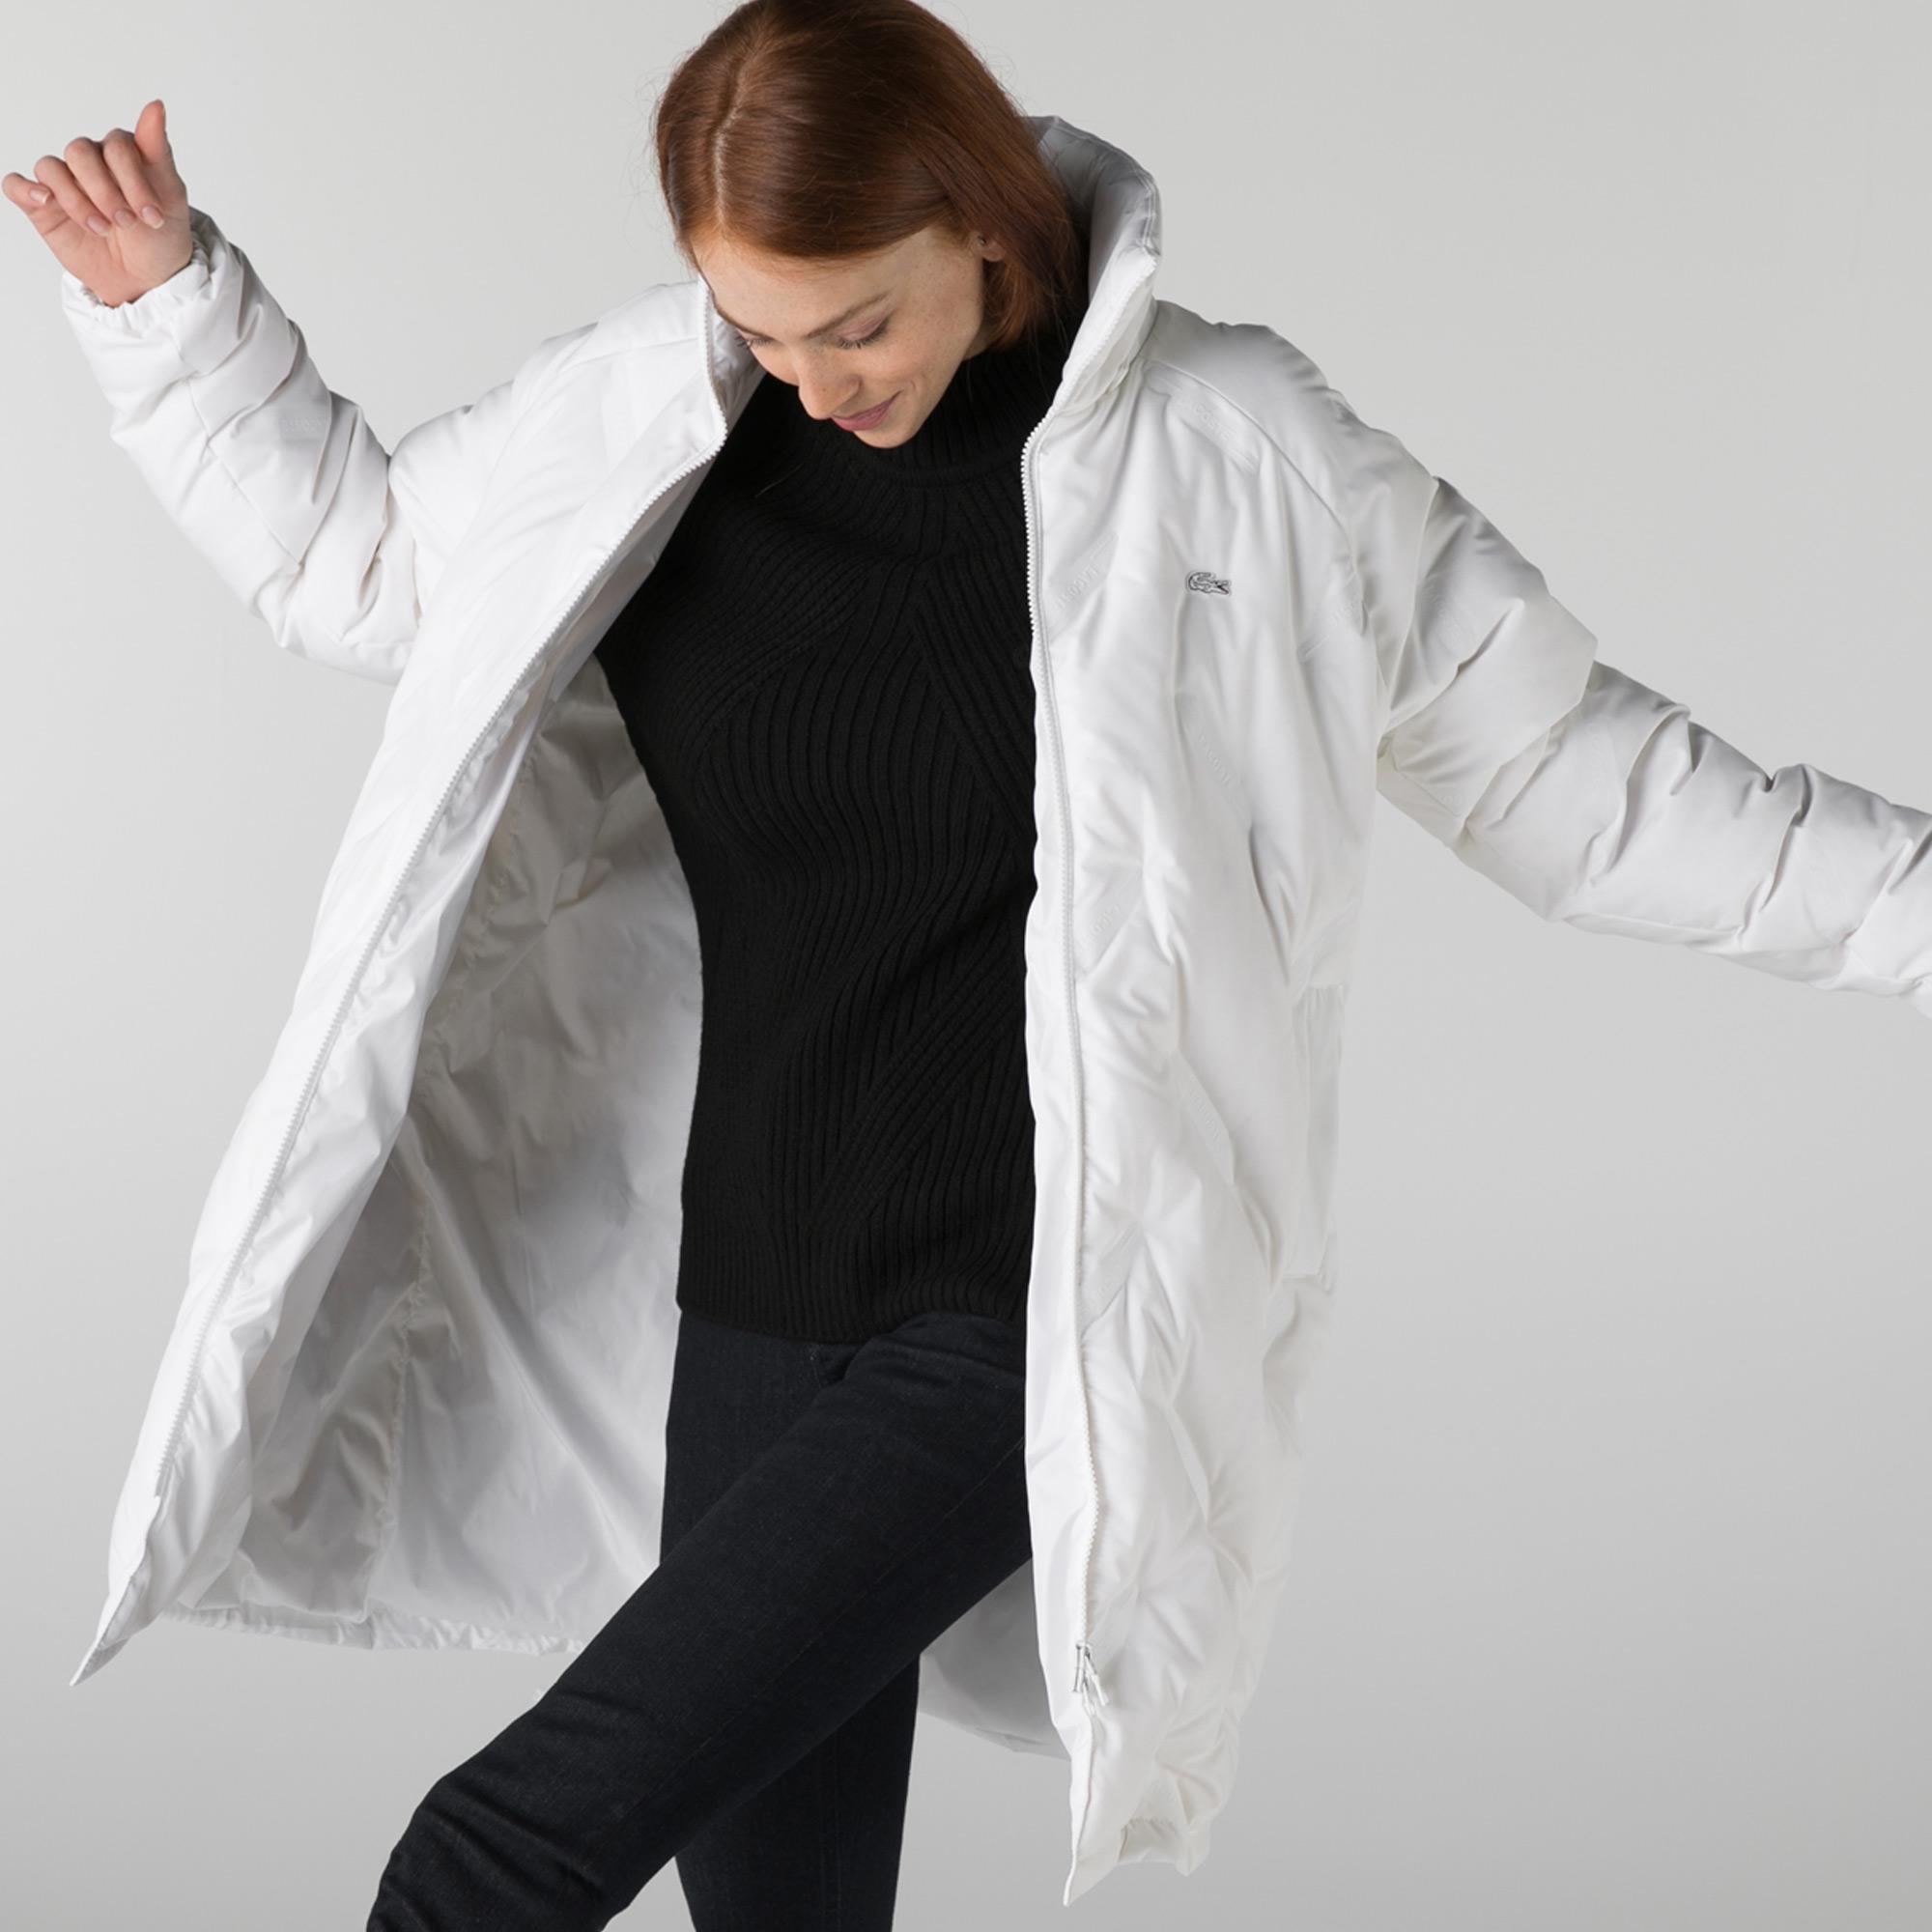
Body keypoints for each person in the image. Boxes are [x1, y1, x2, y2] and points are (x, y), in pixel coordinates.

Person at [23, 3, 1932, 1928]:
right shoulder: (649, 425)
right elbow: (367, 565)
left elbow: (1579, 779)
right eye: (764, 330)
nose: (813, 383)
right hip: (747, 1306)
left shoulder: (1232, 456)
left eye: (857, 323)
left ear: (985, 224)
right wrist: (169, 309)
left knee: (496, 1851)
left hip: (1013, 1320)